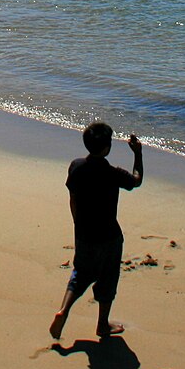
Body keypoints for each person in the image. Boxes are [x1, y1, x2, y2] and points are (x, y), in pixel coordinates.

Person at [50, 122, 143, 341]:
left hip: (84, 232)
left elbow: (72, 197)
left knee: (80, 274)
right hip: (109, 236)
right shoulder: (111, 173)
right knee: (107, 279)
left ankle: (64, 310)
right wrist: (138, 154)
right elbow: (136, 180)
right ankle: (102, 325)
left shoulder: (76, 166)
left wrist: (77, 223)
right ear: (107, 147)